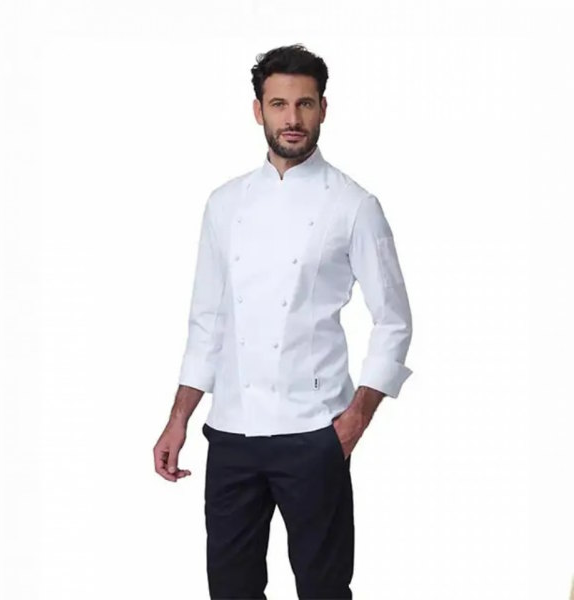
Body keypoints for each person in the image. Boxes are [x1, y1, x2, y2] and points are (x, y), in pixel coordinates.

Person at [153, 43, 414, 600]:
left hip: (313, 432)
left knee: (323, 589)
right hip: (232, 433)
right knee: (231, 589)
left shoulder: (354, 205)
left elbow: (393, 320)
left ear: (323, 109)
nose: (292, 118)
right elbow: (208, 320)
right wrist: (178, 419)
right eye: (278, 104)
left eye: (304, 104)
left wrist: (354, 421)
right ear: (258, 111)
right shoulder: (224, 204)